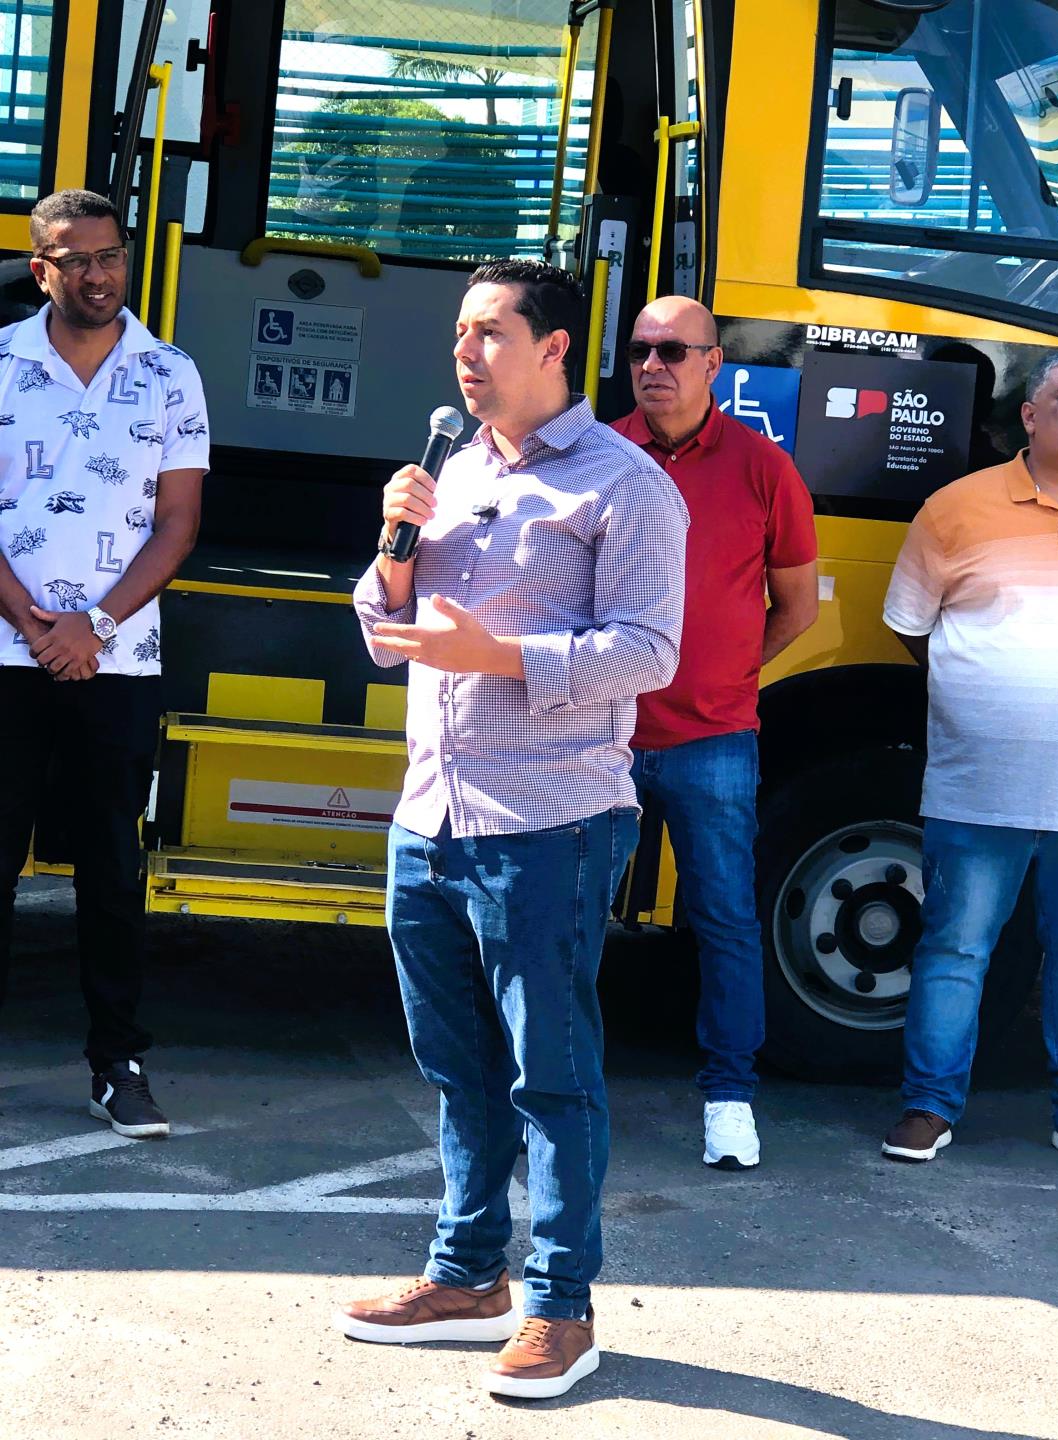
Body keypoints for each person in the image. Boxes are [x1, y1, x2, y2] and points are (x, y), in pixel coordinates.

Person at [341, 259, 688, 1398]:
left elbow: (650, 651)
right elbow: (382, 623)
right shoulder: (450, 468)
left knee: (551, 1074)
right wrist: (392, 548)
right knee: (457, 1067)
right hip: (430, 810)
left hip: (548, 820)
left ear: (552, 348)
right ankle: (464, 1274)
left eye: (488, 332)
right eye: (459, 332)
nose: (464, 351)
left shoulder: (624, 485)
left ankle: (559, 1306)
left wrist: (498, 657)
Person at [0, 189, 209, 1139]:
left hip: (118, 662)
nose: (99, 274)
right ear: (41, 268)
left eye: (111, 255)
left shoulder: (169, 374)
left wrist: (94, 626)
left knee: (112, 872)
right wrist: (35, 623)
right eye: (77, 259)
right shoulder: (3, 362)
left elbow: (178, 522)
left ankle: (117, 1065)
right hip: (8, 652)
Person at [612, 296, 818, 1169]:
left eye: (672, 352)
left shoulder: (764, 468)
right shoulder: (599, 454)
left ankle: (730, 1098)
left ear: (713, 364)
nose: (651, 367)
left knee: (726, 921)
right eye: (639, 351)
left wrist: (730, 672)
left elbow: (796, 607)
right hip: (603, 735)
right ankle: (547, 1091)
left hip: (714, 739)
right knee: (565, 921)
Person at [881, 350, 1058, 1163]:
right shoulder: (955, 508)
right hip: (977, 784)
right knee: (954, 950)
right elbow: (909, 624)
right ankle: (928, 1107)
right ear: (1029, 415)